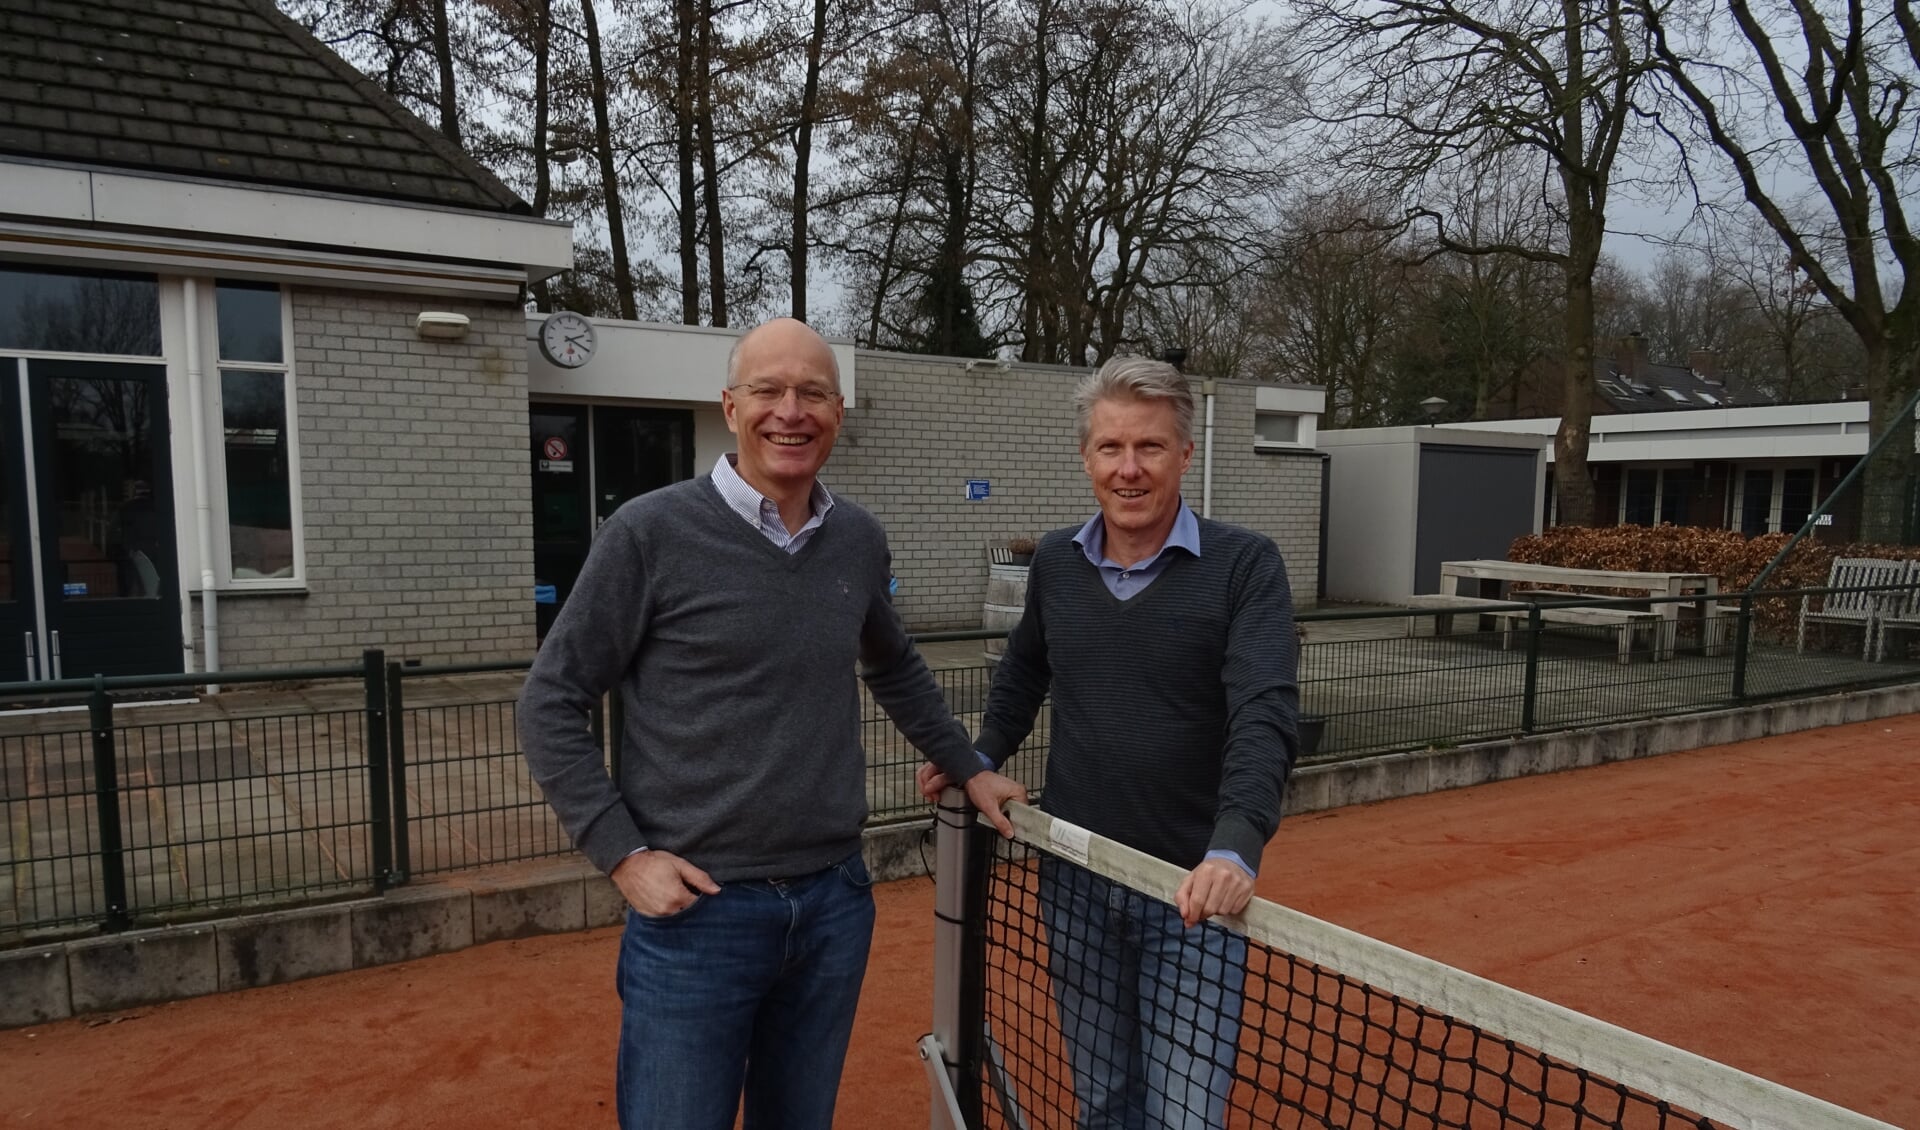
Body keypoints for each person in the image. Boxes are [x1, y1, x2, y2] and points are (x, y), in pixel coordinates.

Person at [520, 317, 1024, 1130]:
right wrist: (623, 856)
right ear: (730, 406)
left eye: (813, 393)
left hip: (833, 904)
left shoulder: (857, 539)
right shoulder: (647, 533)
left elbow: (891, 663)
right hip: (697, 918)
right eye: (769, 390)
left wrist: (967, 763)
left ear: (838, 412)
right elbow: (550, 699)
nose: (791, 411)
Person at [920, 355, 1298, 1129]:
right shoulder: (1056, 561)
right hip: (1076, 882)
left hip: (1191, 896)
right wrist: (980, 756)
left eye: (1150, 448)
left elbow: (1265, 713)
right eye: (1111, 448)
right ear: (1087, 457)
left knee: (1184, 1119)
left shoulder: (1246, 564)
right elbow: (1024, 674)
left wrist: (1234, 847)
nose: (1129, 469)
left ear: (1184, 455)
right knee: (1105, 1103)